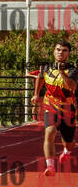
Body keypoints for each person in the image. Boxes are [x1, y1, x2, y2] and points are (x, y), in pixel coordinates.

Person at [31, 41, 78, 176]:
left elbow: (71, 86)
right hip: (51, 105)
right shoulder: (46, 68)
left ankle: (67, 150)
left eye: (64, 50)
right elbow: (40, 78)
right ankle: (50, 166)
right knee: (50, 132)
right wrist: (36, 94)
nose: (60, 52)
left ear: (68, 53)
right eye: (58, 49)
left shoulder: (73, 70)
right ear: (54, 51)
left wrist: (61, 72)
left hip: (68, 109)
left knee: (69, 142)